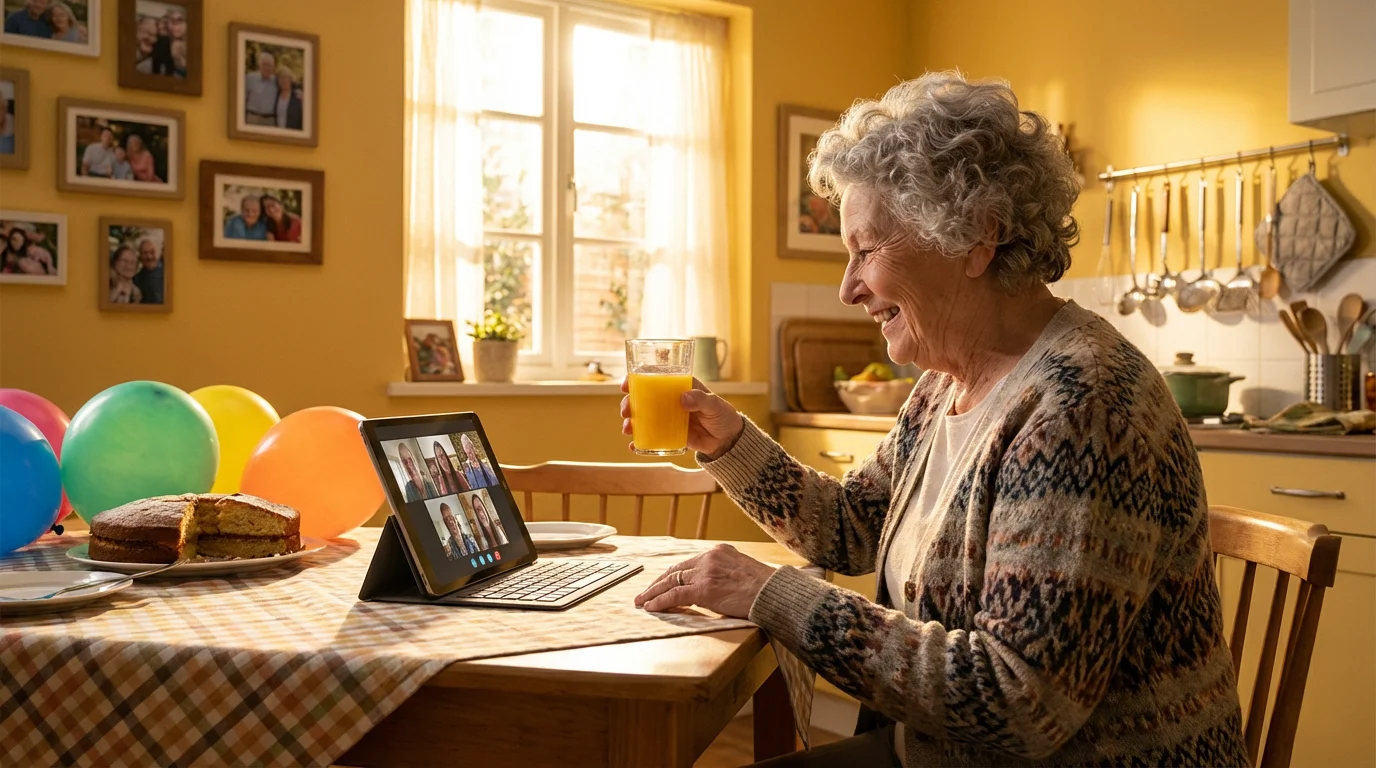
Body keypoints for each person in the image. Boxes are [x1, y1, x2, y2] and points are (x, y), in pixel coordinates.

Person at [626, 73, 1248, 767]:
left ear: (976, 237)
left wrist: (773, 593)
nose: (848, 287)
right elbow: (852, 527)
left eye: (867, 250)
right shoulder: (942, 386)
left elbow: (1017, 703)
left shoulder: (1082, 406)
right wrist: (729, 442)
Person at [244, 51, 279, 126]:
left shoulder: (277, 81)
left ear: (273, 67)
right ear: (259, 65)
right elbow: (242, 99)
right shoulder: (250, 78)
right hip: (252, 118)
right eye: (264, 65)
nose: (266, 68)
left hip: (270, 120)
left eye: (269, 65)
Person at [132, 238, 163, 305]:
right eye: (145, 253)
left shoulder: (170, 273)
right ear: (140, 256)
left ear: (159, 253)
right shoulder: (136, 280)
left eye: (152, 252)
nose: (149, 257)